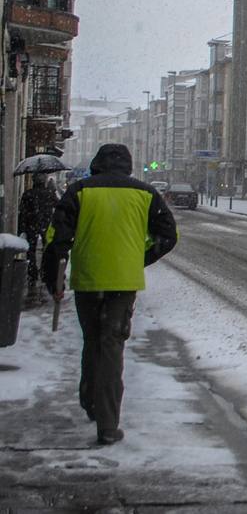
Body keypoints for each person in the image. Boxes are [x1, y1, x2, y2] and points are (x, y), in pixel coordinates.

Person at [42, 143, 178, 446]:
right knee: (112, 346)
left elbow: (57, 238)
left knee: (92, 341)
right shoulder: (145, 194)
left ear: (96, 163)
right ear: (127, 165)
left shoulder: (80, 190)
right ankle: (108, 423)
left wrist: (53, 279)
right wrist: (138, 258)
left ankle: (90, 398)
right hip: (123, 283)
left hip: (88, 280)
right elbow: (168, 235)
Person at [18, 175, 58, 287]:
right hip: (46, 224)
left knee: (31, 250)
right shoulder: (49, 193)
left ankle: (32, 273)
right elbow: (59, 205)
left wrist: (22, 227)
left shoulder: (28, 194)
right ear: (44, 181)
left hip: (32, 224)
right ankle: (45, 270)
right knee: (47, 248)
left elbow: (22, 211)